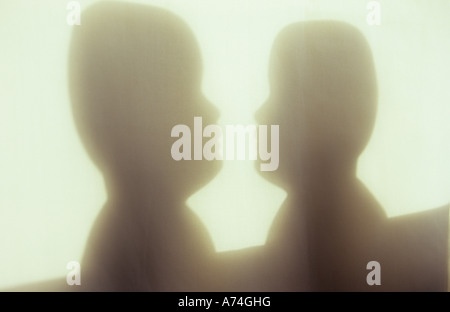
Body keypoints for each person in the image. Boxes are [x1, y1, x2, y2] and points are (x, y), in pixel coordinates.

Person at [252, 20, 449, 291]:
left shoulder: (330, 221)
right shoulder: (316, 210)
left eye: (278, 96)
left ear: (323, 115)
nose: (259, 114)